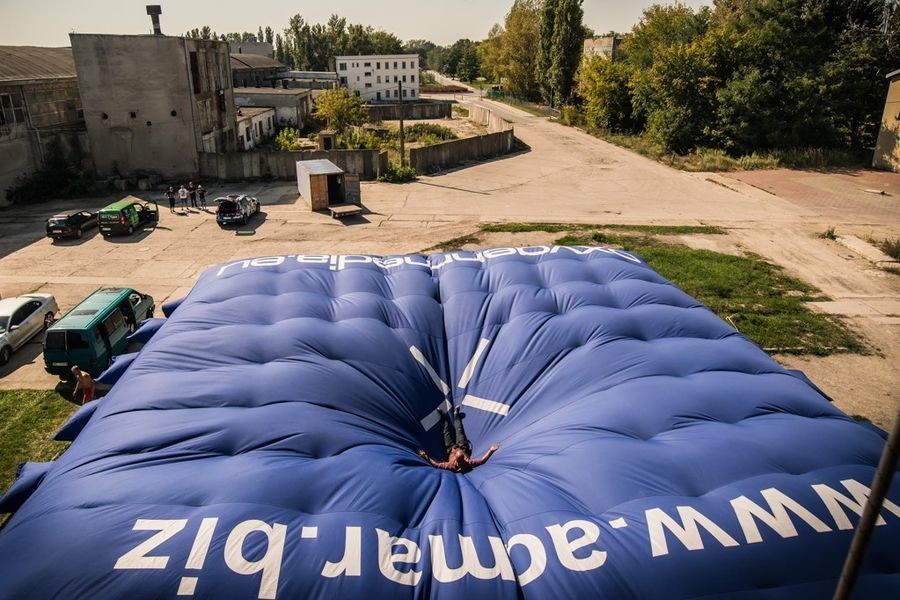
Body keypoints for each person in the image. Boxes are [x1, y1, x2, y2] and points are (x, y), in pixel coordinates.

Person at [418, 406, 499, 473]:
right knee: (459, 429)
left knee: (446, 432)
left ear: (457, 460)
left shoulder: (450, 465)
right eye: (462, 456)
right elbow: (482, 460)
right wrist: (491, 451)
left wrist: (426, 457)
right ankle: (456, 415)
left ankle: (444, 417)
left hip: (450, 448)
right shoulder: (468, 462)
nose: (457, 450)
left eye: (459, 454)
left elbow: (436, 464)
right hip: (463, 446)